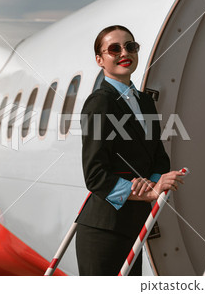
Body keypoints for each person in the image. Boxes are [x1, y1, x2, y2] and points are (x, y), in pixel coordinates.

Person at [76, 25, 185, 276]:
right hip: (104, 231)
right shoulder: (99, 102)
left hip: (133, 228)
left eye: (130, 46)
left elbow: (158, 157)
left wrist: (156, 183)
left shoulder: (145, 101)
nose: (124, 52)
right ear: (99, 60)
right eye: (114, 48)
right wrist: (150, 192)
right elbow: (94, 175)